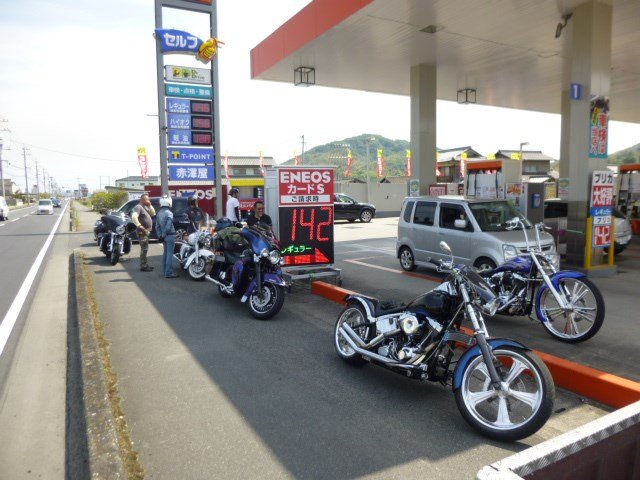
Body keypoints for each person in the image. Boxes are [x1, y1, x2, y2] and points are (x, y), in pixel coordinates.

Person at [131, 194, 156, 272]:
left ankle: (145, 264)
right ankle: (143, 266)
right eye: (147, 199)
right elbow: (134, 217)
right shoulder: (138, 207)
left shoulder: (145, 207)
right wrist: (139, 226)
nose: (148, 201)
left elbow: (153, 213)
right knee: (144, 249)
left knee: (145, 249)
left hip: (146, 231)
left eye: (149, 199)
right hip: (142, 231)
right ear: (142, 200)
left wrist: (150, 205)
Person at [156, 196, 179, 278]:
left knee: (165, 253)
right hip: (170, 235)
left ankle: (165, 271)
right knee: (169, 254)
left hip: (163, 236)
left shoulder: (159, 213)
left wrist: (160, 236)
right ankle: (168, 273)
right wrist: (163, 235)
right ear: (169, 203)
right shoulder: (169, 213)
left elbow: (157, 226)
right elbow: (168, 226)